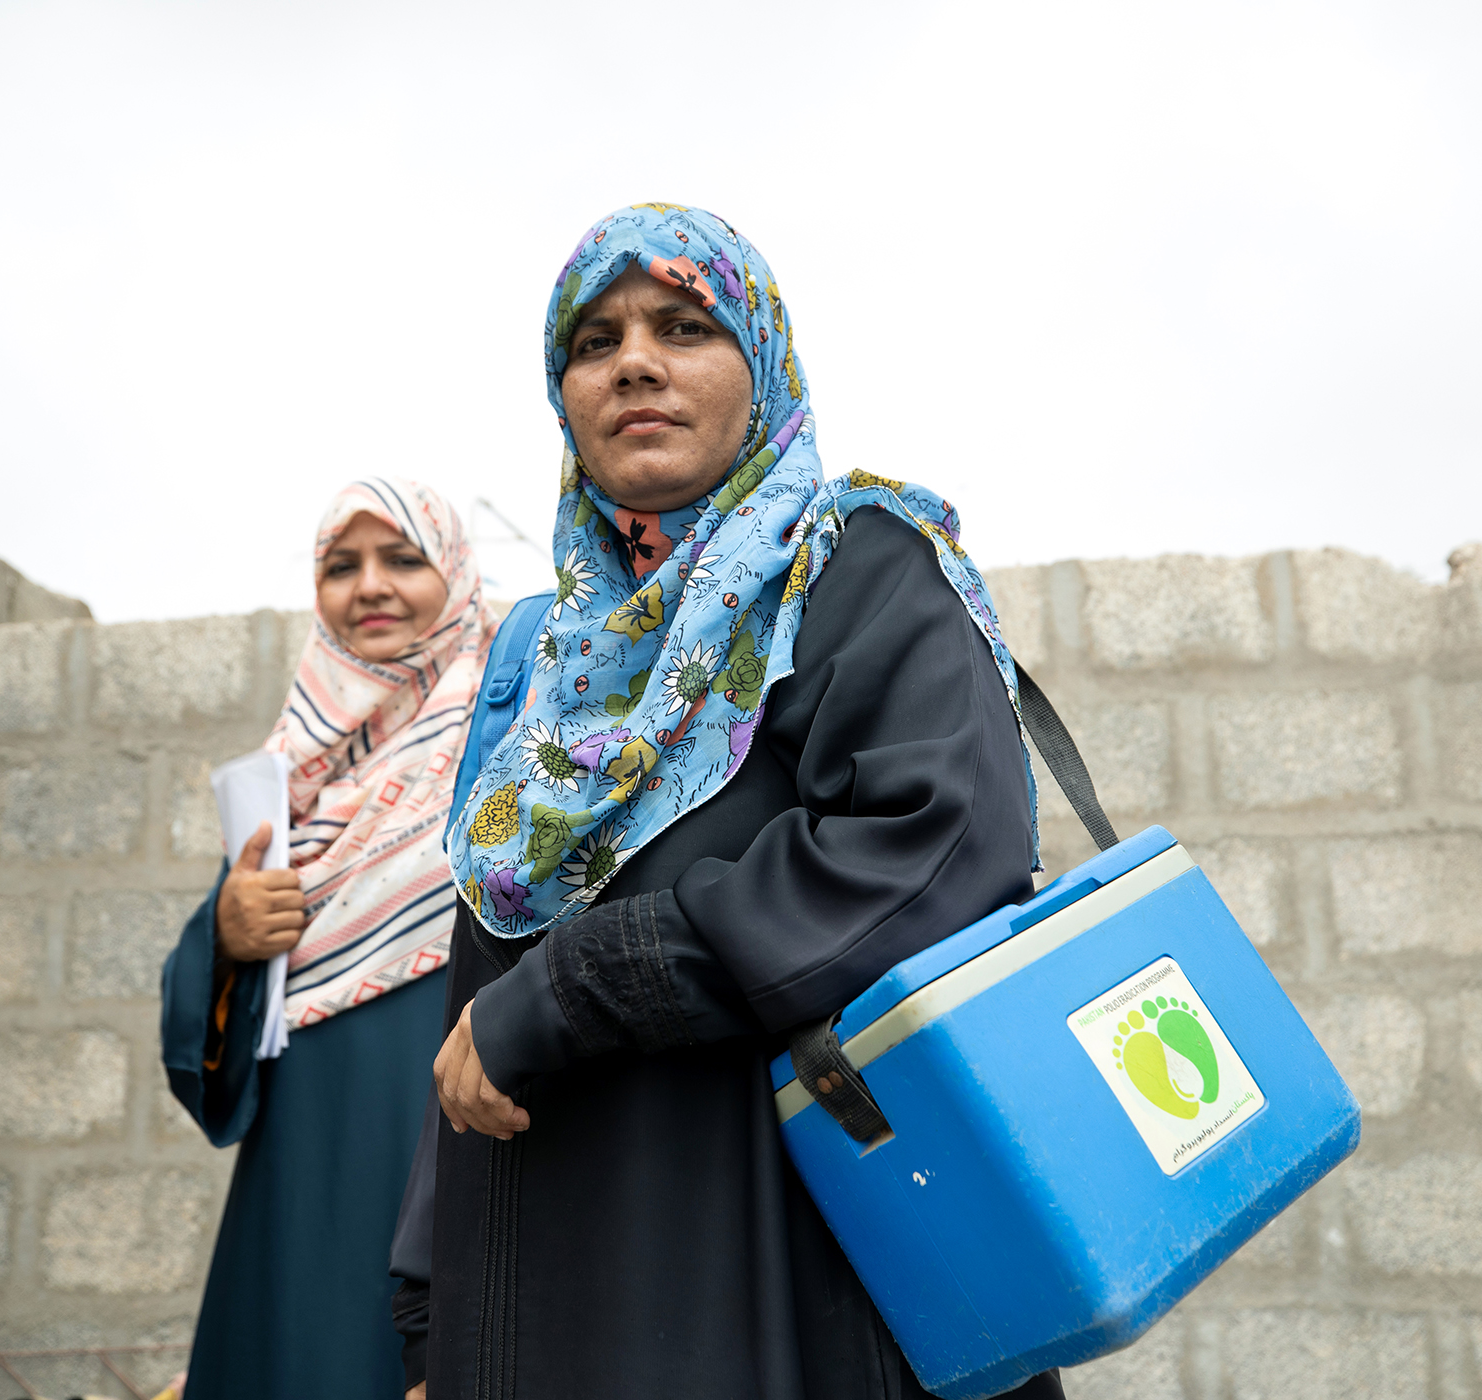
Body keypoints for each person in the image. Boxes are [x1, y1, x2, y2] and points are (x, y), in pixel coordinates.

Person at [391, 206, 1062, 1400]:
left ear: (763, 361)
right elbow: (476, 986)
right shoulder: (547, 661)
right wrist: (428, 1309)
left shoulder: (857, 568)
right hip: (540, 1287)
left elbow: (928, 852)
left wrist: (579, 983)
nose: (635, 361)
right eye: (594, 342)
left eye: (684, 325)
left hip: (792, 1279)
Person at [162, 479, 494, 1400]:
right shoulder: (293, 773)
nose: (370, 587)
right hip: (308, 1167)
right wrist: (227, 936)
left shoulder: (510, 735)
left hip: (460, 1130)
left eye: (402, 559)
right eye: (342, 567)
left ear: (457, 576)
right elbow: (211, 1041)